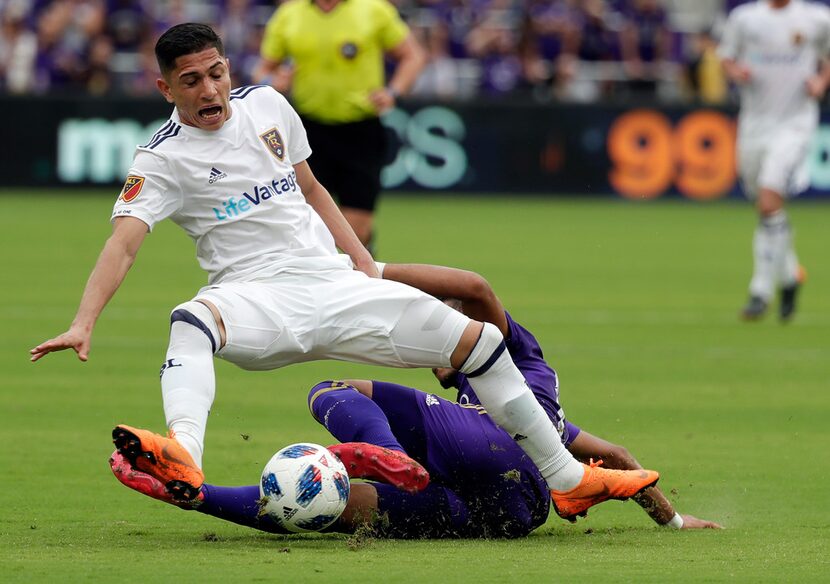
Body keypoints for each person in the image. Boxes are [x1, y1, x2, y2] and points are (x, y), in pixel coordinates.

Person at [29, 23, 656, 523]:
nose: (210, 90)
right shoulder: (160, 159)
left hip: (334, 284)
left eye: (216, 73)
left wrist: (361, 261)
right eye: (191, 81)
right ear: (167, 89)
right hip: (255, 300)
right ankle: (185, 457)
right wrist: (83, 322)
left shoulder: (269, 105)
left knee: (482, 343)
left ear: (229, 69)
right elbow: (123, 245)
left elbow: (310, 185)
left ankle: (568, 482)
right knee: (191, 320)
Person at [109, 263, 721, 537]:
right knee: (330, 510)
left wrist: (365, 271)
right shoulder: (544, 415)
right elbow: (614, 454)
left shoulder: (511, 355)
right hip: (511, 513)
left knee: (330, 388)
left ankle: (381, 451)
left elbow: (475, 288)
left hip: (477, 448)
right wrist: (673, 522)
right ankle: (194, 496)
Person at [252, 0, 426, 251]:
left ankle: (361, 259)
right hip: (307, 131)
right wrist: (272, 80)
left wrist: (393, 92)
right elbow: (263, 68)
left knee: (357, 229)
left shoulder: (373, 9)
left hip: (360, 130)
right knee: (307, 224)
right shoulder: (289, 14)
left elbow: (413, 55)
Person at [718, 0, 830, 321]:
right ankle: (791, 275)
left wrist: (821, 82)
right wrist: (736, 71)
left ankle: (760, 292)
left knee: (769, 201)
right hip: (754, 124)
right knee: (767, 208)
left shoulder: (816, 18)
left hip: (795, 123)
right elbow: (725, 56)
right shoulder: (745, 18)